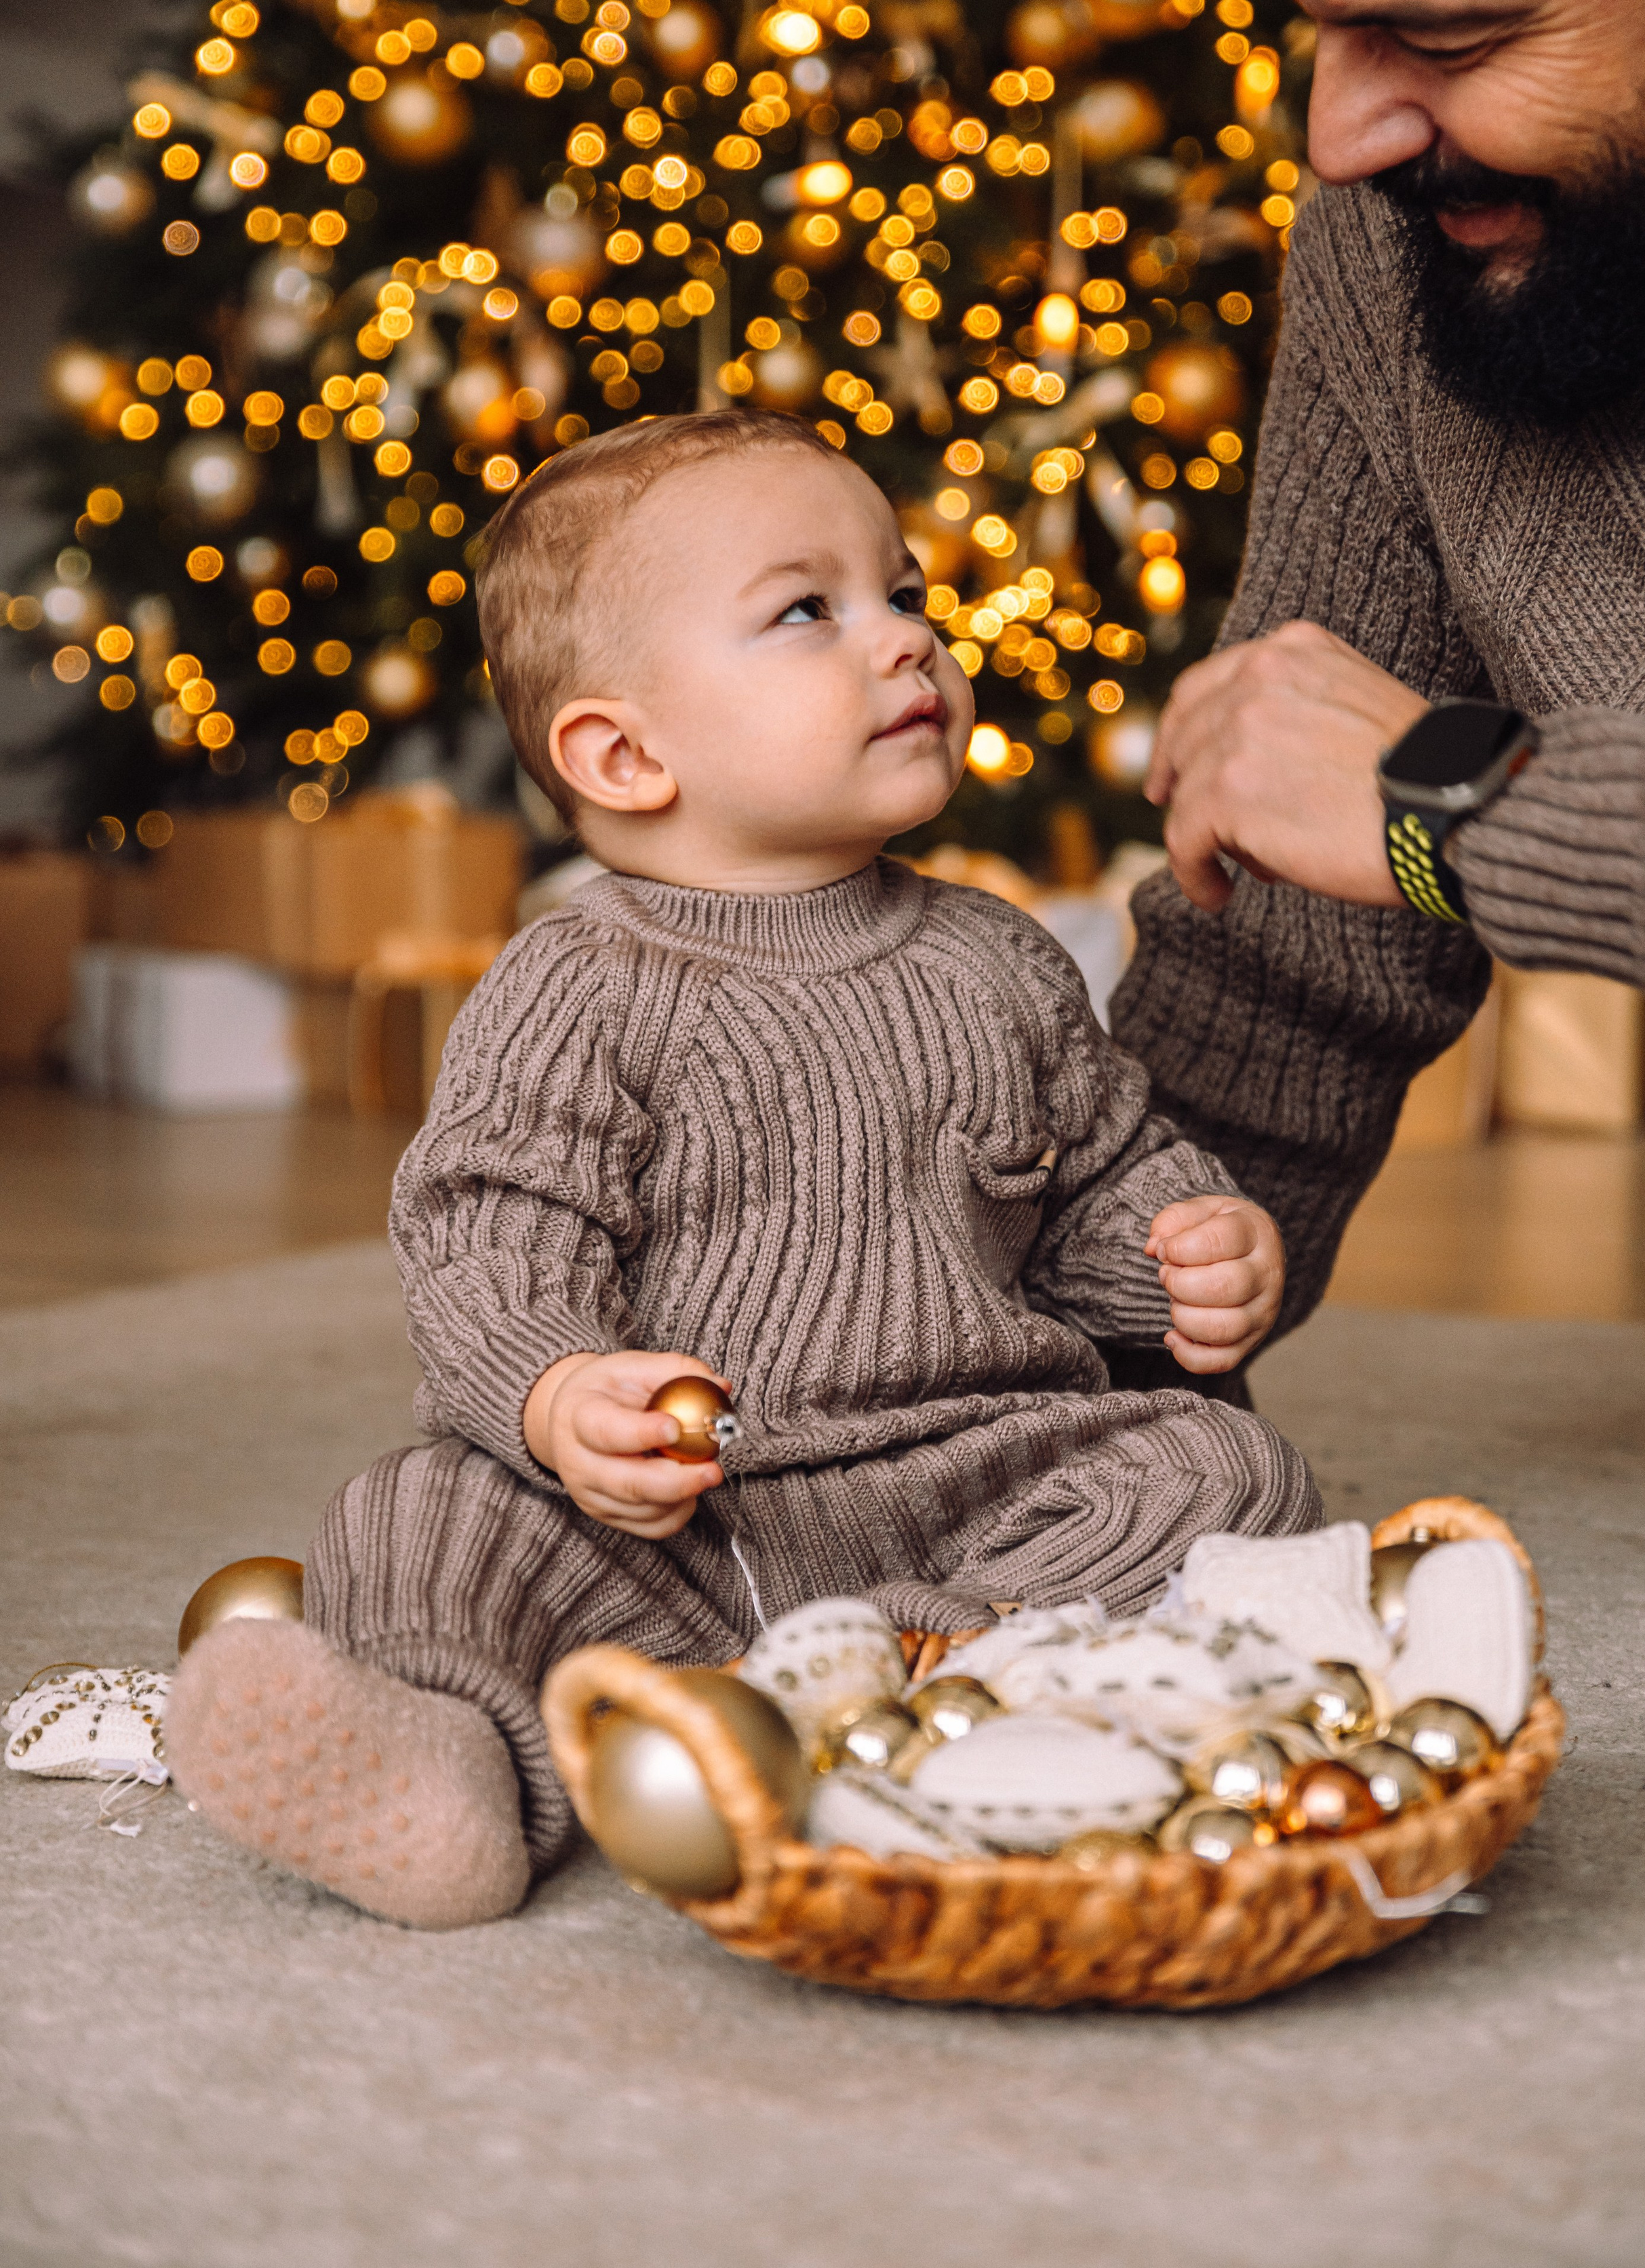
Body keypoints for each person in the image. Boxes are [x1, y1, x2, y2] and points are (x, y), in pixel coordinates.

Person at [167, 410, 1320, 1930]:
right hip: (677, 1524)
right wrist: (557, 1392)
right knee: (415, 1520)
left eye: (904, 593)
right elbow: (487, 1236)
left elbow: (1094, 1174)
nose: (905, 641)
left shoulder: (998, 958)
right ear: (625, 752)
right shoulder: (575, 980)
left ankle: (923, 1678)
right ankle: (446, 1768)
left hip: (972, 1477)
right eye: (808, 611)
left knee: (1224, 1473)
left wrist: (1178, 1250)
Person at [1115, 0, 1645, 1343]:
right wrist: (1019, 1404)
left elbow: (1401, 804)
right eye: (1319, 23)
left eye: (1450, 42)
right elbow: (1282, 974)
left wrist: (1468, 805)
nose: (1337, 138)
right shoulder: (1420, 243)